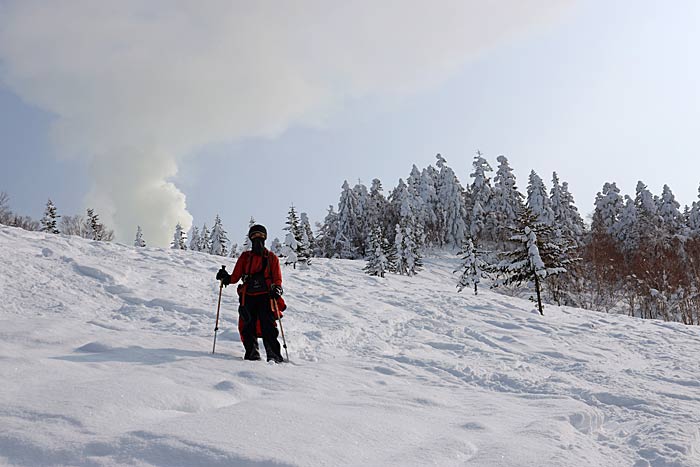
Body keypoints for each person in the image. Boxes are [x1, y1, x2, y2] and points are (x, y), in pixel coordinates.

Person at [216, 224, 285, 362]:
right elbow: (235, 277)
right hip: (247, 297)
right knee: (248, 326)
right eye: (254, 236)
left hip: (266, 296)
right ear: (251, 238)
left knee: (268, 326)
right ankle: (252, 354)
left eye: (260, 236)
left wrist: (277, 288)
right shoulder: (245, 257)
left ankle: (274, 356)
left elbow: (277, 278)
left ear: (265, 238)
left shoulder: (271, 258)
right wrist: (225, 277)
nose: (257, 239)